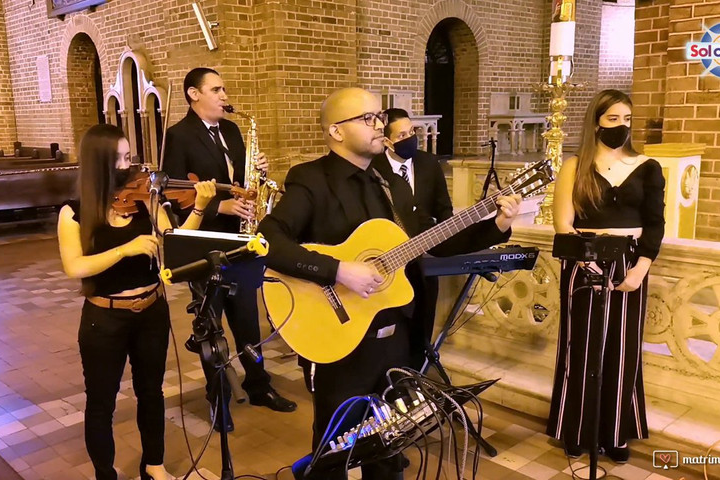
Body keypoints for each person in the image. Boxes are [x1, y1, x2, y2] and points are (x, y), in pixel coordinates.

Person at [258, 87, 522, 480]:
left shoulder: (391, 183)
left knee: (391, 440)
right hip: (342, 335)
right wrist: (338, 270)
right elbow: (269, 241)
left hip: (397, 334)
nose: (379, 124)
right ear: (335, 131)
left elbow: (433, 240)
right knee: (336, 444)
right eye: (367, 118)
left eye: (379, 116)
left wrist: (496, 223)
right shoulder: (311, 180)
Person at [57, 124, 216, 480]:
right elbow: (75, 266)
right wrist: (125, 249)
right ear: (99, 163)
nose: (132, 167)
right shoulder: (74, 212)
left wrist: (201, 206)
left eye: (130, 157)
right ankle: (105, 473)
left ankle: (154, 465)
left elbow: (173, 242)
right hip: (104, 318)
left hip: (151, 310)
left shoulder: (145, 200)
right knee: (101, 401)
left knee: (152, 392)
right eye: (121, 159)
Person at [161, 67, 297, 430]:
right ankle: (217, 395)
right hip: (205, 241)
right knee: (211, 324)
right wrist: (220, 206)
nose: (224, 96)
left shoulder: (233, 131)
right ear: (193, 94)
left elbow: (242, 183)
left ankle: (259, 385)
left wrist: (259, 173)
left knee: (248, 319)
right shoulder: (178, 136)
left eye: (224, 89)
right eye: (216, 89)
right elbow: (173, 193)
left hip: (241, 239)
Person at [547, 89, 665, 464]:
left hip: (631, 263)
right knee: (579, 346)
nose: (621, 126)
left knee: (622, 347)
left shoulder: (647, 166)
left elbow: (655, 225)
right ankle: (577, 428)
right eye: (613, 119)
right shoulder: (574, 166)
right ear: (596, 121)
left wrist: (640, 269)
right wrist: (589, 262)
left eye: (627, 119)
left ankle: (615, 431)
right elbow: (563, 223)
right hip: (583, 261)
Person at [371, 107, 454, 368]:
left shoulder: (429, 163)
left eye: (412, 131)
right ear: (386, 141)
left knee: (423, 323)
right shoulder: (374, 169)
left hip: (424, 261)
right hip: (389, 264)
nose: (410, 138)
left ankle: (417, 375)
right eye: (402, 134)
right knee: (393, 329)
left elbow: (444, 209)